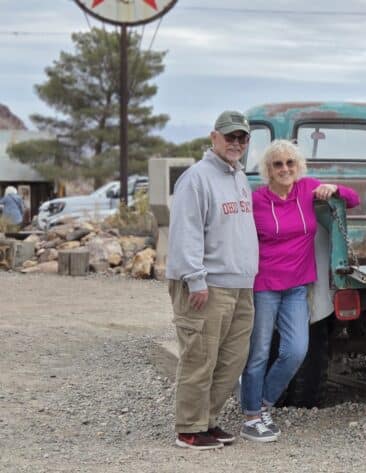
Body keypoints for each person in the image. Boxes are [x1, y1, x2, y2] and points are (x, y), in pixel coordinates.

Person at [240, 140, 360, 442]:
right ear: (268, 170)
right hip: (264, 286)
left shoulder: (307, 189)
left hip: (296, 287)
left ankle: (264, 403)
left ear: (298, 167)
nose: (285, 169)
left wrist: (333, 189)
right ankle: (251, 416)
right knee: (259, 354)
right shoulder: (256, 200)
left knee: (295, 351)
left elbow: (354, 199)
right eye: (277, 164)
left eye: (290, 163)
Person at [165, 110, 259, 450]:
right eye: (229, 136)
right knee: (200, 356)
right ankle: (189, 428)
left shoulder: (239, 177)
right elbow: (186, 232)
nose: (235, 143)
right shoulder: (196, 178)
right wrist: (195, 278)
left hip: (239, 285)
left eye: (241, 138)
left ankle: (207, 421)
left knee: (231, 358)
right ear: (213, 137)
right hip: (207, 284)